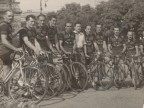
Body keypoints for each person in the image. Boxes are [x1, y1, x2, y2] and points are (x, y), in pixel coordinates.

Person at [0, 10, 22, 95]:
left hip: (7, 50)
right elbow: (4, 41)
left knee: (8, 70)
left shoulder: (8, 25)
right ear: (4, 16)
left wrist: (18, 31)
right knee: (7, 70)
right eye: (9, 16)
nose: (11, 17)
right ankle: (6, 92)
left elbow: (10, 36)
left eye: (12, 16)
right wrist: (15, 49)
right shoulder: (4, 25)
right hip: (4, 50)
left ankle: (6, 90)